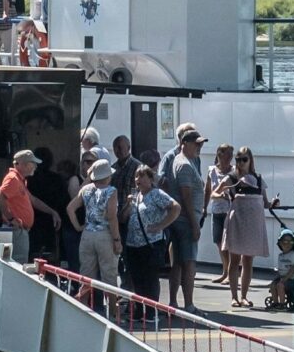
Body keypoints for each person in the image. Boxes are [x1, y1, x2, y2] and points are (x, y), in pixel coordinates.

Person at [161, 126, 206, 310]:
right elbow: (185, 196)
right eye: (196, 144)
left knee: (178, 263)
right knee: (189, 263)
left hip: (180, 219)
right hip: (186, 221)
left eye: (200, 144)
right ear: (184, 144)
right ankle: (189, 305)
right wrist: (195, 225)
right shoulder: (185, 165)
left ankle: (174, 302)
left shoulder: (185, 161)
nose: (199, 147)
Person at [123, 165, 178, 310]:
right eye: (136, 176)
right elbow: (123, 217)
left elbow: (175, 207)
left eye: (142, 176)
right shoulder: (136, 196)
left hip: (150, 244)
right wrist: (128, 204)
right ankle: (139, 311)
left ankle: (151, 312)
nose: (138, 179)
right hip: (133, 245)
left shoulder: (156, 194)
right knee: (137, 279)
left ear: (151, 179)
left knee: (150, 280)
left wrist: (161, 225)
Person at [222, 147, 273, 306]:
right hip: (237, 222)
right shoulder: (232, 178)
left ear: (251, 160)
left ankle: (244, 296)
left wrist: (273, 203)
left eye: (244, 159)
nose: (241, 163)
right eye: (238, 159)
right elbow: (214, 193)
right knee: (234, 260)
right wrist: (224, 194)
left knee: (248, 260)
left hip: (253, 223)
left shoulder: (258, 179)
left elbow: (265, 202)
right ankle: (234, 297)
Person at [74, 158, 123, 291]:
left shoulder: (85, 189)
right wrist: (117, 240)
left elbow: (70, 208)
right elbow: (112, 217)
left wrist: (78, 227)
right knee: (109, 277)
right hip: (104, 235)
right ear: (107, 176)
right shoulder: (111, 191)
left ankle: (83, 303)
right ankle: (112, 305)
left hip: (87, 234)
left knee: (86, 277)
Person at [27, 149, 72, 263]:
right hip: (52, 220)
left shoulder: (28, 180)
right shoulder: (57, 179)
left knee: (32, 253)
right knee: (50, 254)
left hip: (32, 220)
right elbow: (64, 200)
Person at [0, 149, 39, 260]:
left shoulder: (19, 179)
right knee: (18, 264)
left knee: (18, 262)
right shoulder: (13, 179)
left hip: (18, 231)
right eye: (33, 163)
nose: (35, 166)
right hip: (15, 230)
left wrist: (52, 212)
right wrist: (11, 218)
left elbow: (33, 200)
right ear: (25, 164)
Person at [208, 144, 237, 297]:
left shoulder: (234, 171)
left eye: (231, 155)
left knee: (229, 244)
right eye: (227, 155)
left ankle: (231, 273)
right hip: (216, 210)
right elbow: (209, 191)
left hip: (229, 211)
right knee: (219, 242)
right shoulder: (212, 171)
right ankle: (225, 271)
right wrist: (205, 207)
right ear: (219, 155)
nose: (229, 158)